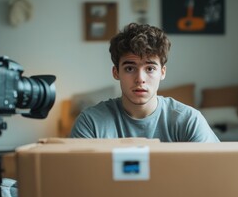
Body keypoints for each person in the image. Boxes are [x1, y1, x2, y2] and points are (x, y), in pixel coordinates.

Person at [70, 23, 219, 142]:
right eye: (129, 68)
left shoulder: (189, 120)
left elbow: (218, 173)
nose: (140, 78)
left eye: (149, 68)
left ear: (162, 72)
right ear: (116, 72)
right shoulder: (90, 122)